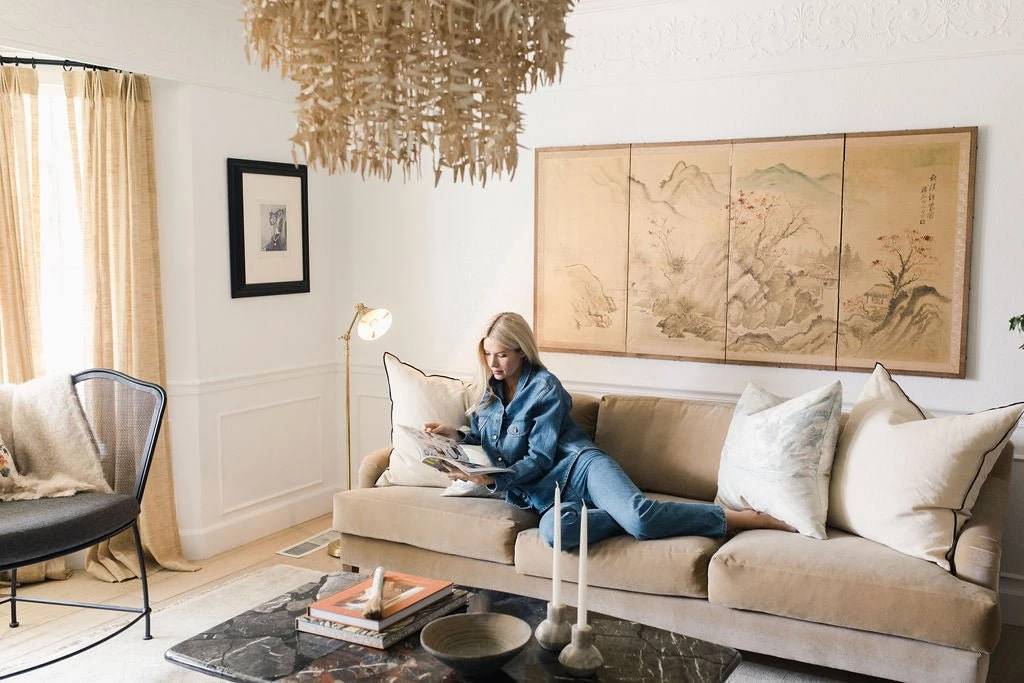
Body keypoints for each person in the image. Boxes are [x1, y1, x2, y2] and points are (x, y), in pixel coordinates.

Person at [425, 312, 794, 550]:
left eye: (503, 354)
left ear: (522, 351)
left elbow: (538, 457)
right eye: (488, 354)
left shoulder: (545, 388)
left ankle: (739, 519)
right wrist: (457, 436)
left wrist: (495, 479)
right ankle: (621, 515)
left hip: (581, 469)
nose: (493, 363)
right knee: (556, 534)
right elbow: (492, 439)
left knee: (642, 521)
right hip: (548, 497)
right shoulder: (487, 394)